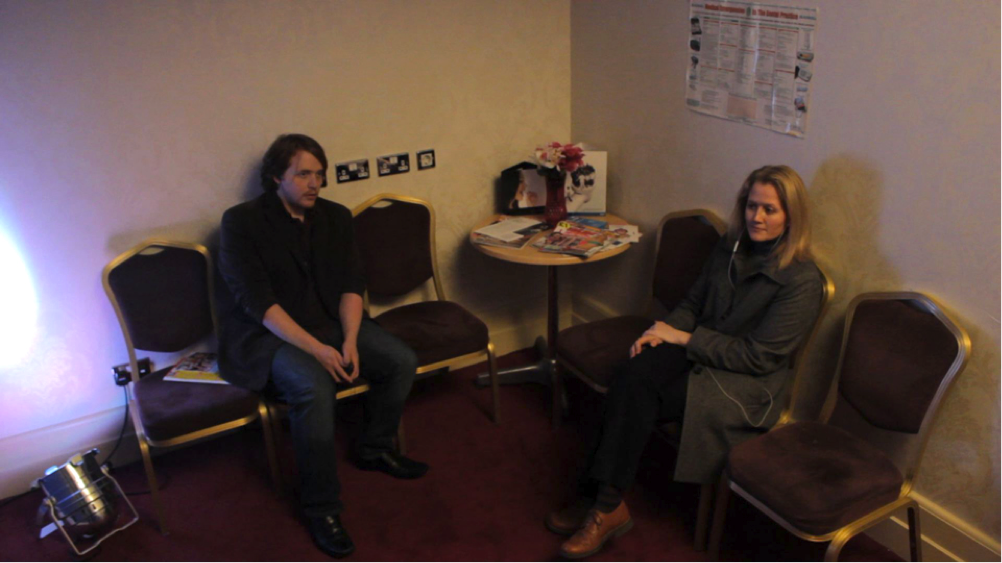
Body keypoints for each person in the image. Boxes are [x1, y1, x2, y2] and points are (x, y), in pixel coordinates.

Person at [546, 165, 824, 559]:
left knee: (638, 395)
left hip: (744, 381)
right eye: (751, 206)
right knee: (632, 373)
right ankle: (605, 501)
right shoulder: (731, 246)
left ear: (791, 216)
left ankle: (600, 501)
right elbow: (693, 303)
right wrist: (661, 332)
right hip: (700, 348)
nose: (757, 217)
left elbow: (758, 357)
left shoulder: (803, 281)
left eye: (770, 210)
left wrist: (684, 338)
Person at [218, 133, 427, 559]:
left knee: (400, 360)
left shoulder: (336, 216)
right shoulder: (241, 222)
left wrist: (350, 339)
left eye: (319, 174)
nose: (315, 183)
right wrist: (317, 348)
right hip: (271, 336)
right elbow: (258, 304)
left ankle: (374, 448)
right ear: (276, 177)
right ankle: (321, 508)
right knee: (314, 387)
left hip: (333, 323)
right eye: (303, 175)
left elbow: (352, 283)